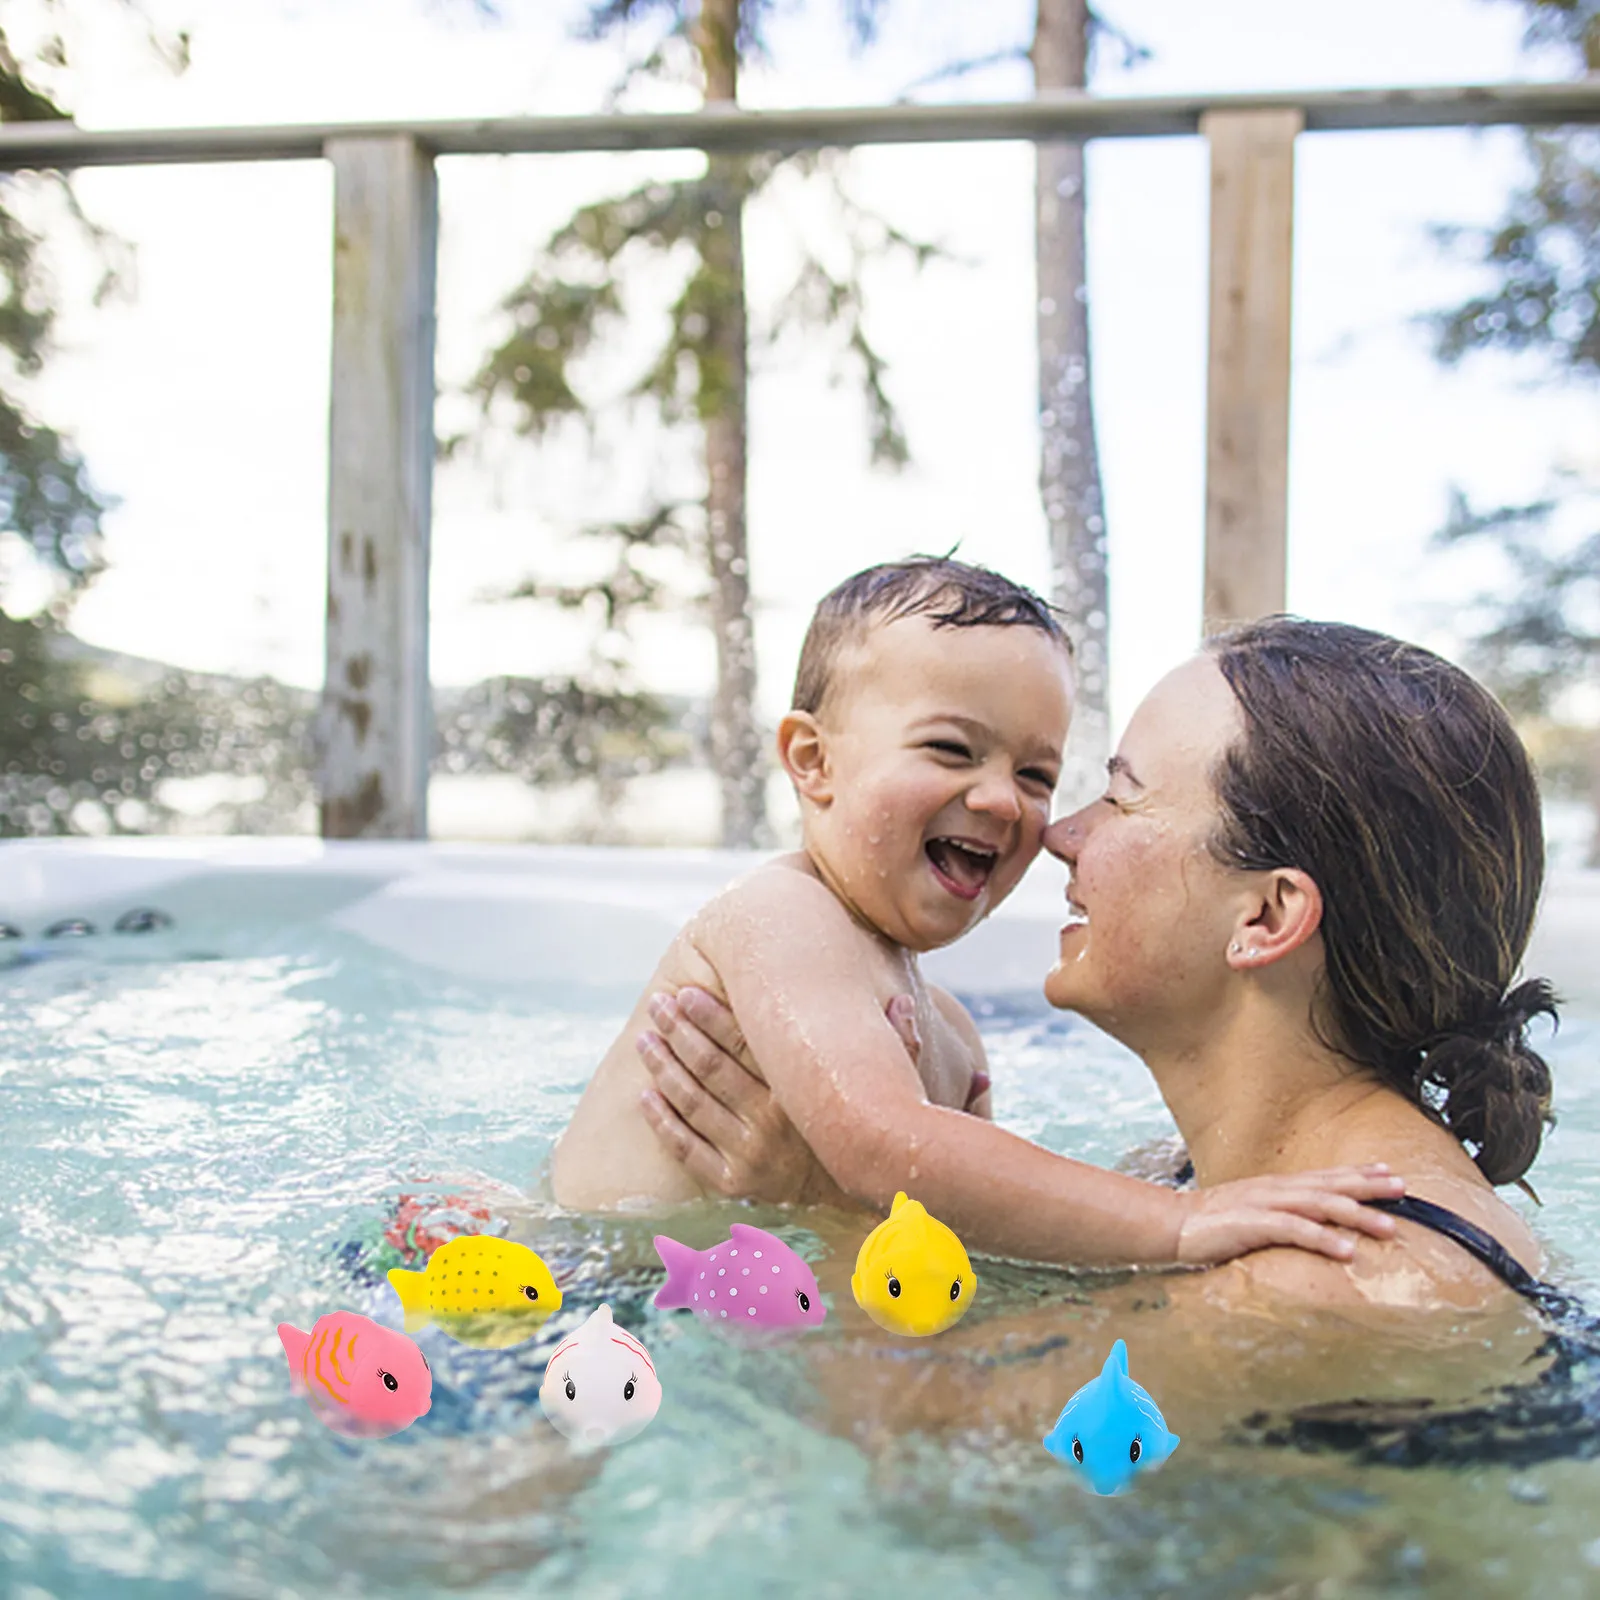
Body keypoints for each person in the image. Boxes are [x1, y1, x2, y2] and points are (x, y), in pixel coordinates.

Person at [635, 617, 1564, 1318]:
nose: (1059, 835)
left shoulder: (1357, 1277)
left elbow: (942, 1474)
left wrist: (823, 1210)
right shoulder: (1174, 1178)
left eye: (1120, 796)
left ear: (1266, 915)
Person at [552, 563, 1402, 1270]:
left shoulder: (951, 1034)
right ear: (813, 762)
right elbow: (883, 1149)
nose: (1002, 799)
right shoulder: (780, 916)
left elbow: (970, 1246)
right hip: (582, 1289)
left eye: (1037, 774)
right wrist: (1177, 1223)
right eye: (952, 750)